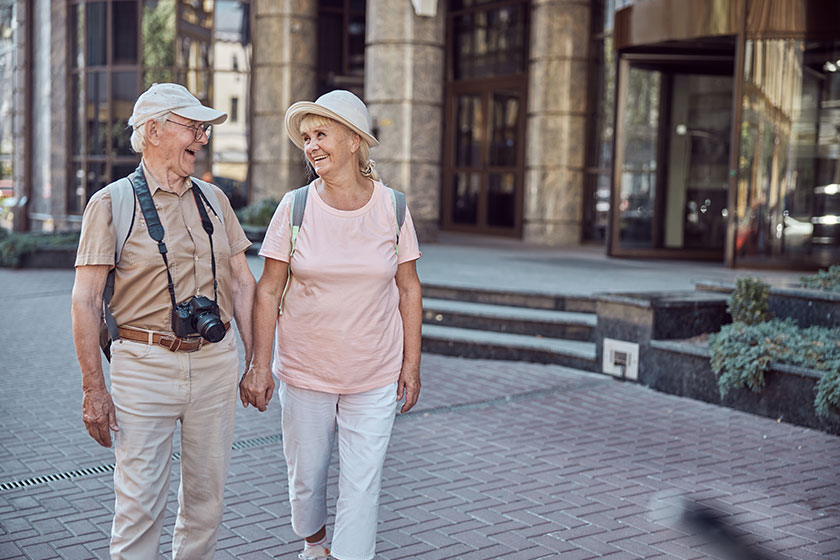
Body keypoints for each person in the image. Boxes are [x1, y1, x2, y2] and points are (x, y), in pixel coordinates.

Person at [71, 82, 256, 559]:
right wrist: (94, 389)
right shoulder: (110, 203)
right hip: (143, 366)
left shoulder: (214, 198)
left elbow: (241, 281)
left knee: (206, 505)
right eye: (193, 127)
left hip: (215, 364)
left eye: (205, 129)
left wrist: (257, 362)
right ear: (153, 131)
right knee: (139, 508)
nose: (202, 137)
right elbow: (86, 302)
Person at [240, 90, 422, 560]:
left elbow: (408, 289)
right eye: (306, 137)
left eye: (321, 134)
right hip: (306, 371)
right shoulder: (295, 207)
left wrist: (412, 363)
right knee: (307, 479)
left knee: (363, 487)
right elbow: (267, 288)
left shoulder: (393, 208)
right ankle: (314, 544)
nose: (311, 146)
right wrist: (260, 365)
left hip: (375, 373)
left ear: (354, 141)